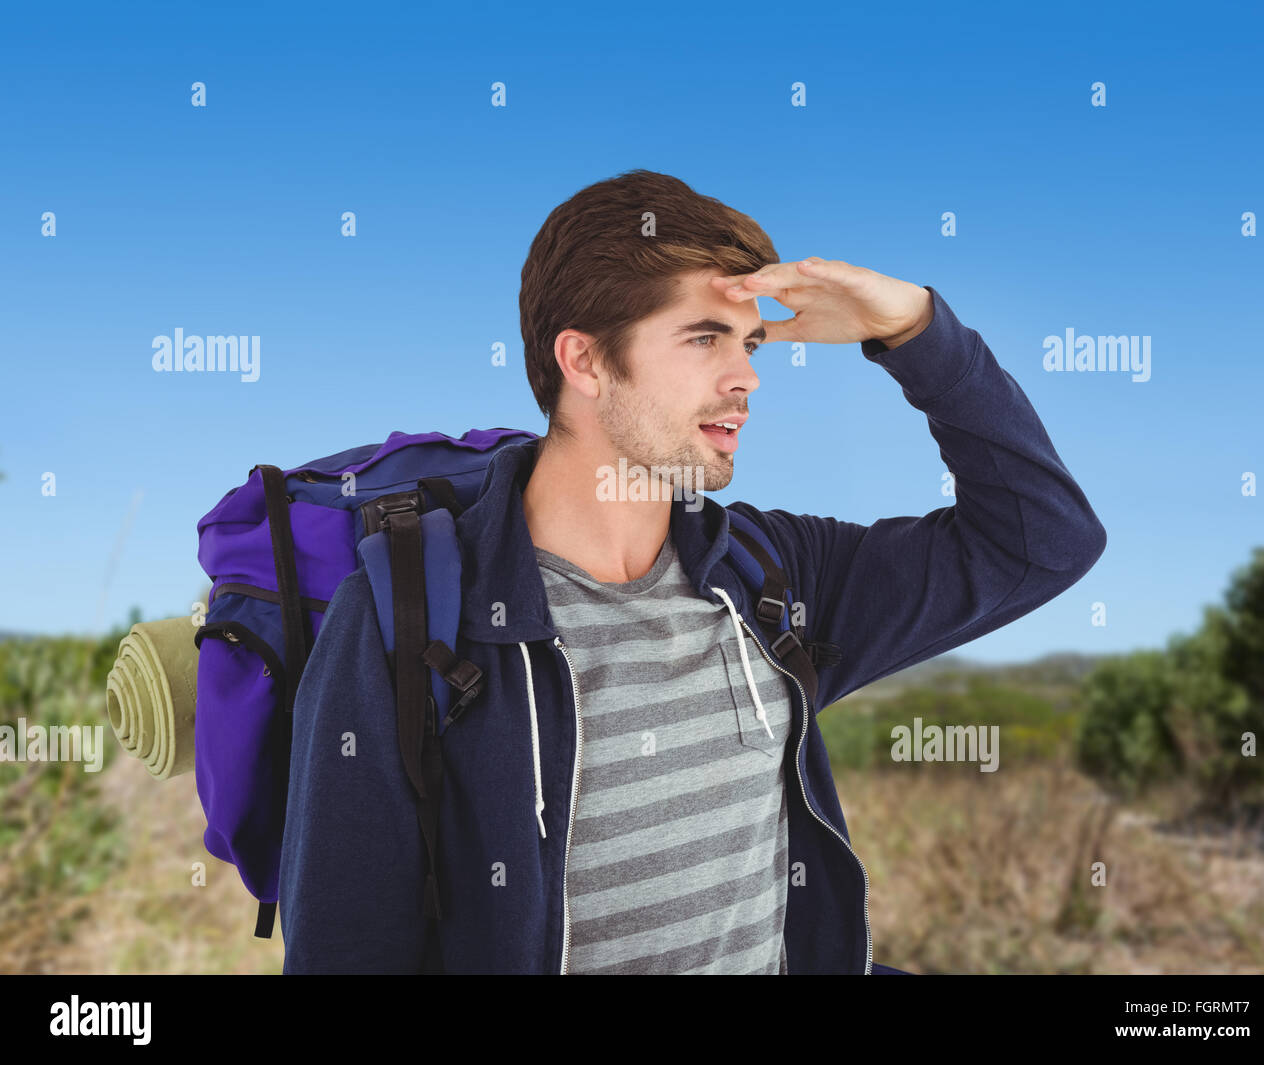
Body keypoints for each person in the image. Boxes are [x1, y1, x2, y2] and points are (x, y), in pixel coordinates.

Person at [278, 169, 1106, 974]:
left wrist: (919, 332)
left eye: (749, 343)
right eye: (705, 338)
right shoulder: (410, 613)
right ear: (586, 362)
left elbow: (1042, 541)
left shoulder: (768, 577)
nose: (745, 376)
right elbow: (346, 950)